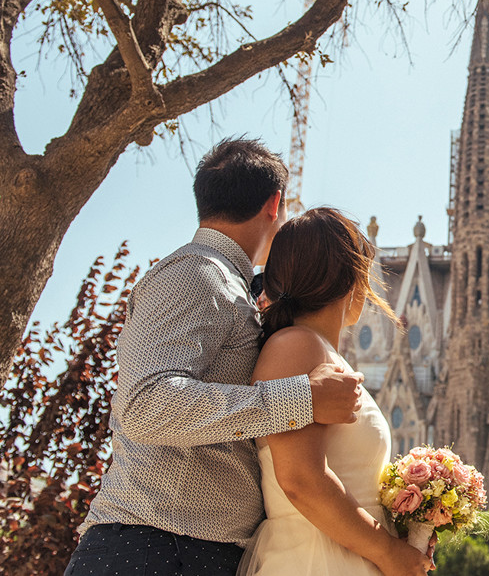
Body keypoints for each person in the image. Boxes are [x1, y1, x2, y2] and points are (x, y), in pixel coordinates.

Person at [66, 138, 364, 576]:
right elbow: (144, 406)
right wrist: (300, 400)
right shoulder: (196, 272)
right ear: (274, 204)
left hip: (188, 549)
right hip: (156, 545)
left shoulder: (231, 285)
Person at [237, 207, 433, 576]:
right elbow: (300, 480)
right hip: (316, 559)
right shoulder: (296, 345)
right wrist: (389, 552)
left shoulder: (316, 350)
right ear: (350, 280)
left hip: (346, 557)